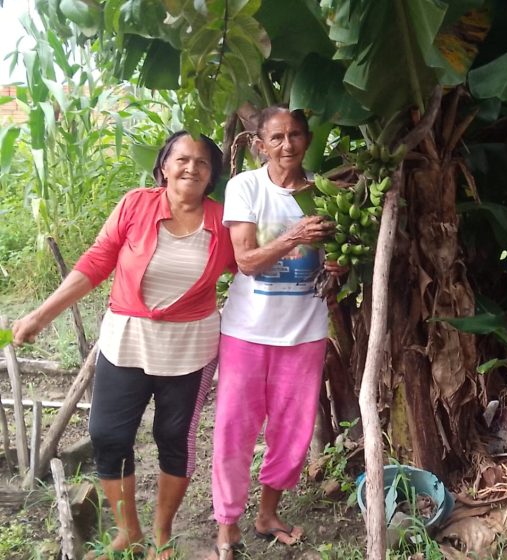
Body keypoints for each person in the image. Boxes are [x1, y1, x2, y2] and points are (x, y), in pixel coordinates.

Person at [12, 131, 234, 560]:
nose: (191, 168)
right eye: (181, 159)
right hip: (127, 340)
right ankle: (128, 532)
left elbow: (249, 268)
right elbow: (96, 261)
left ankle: (163, 535)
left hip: (190, 347)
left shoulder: (221, 225)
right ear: (164, 166)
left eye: (202, 163)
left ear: (212, 176)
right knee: (107, 435)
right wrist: (41, 315)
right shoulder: (135, 205)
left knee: (174, 438)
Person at [209, 106, 343, 560]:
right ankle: (227, 525)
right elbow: (245, 260)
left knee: (292, 433)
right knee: (234, 430)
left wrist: (339, 266)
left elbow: (336, 263)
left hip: (304, 333)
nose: (288, 145)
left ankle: (267, 514)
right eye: (277, 137)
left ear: (307, 140)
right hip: (247, 332)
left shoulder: (323, 193)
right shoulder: (245, 187)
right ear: (260, 144)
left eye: (296, 136)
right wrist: (293, 236)